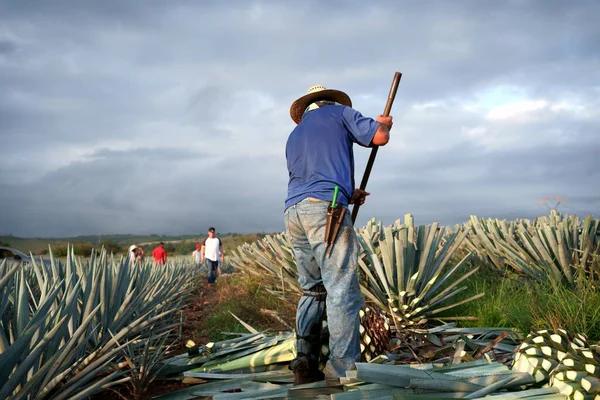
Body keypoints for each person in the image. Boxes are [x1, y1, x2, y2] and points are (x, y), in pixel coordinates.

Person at [284, 84, 392, 384]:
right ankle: (343, 371)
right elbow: (378, 138)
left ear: (308, 108)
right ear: (330, 102)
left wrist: (348, 193)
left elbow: (313, 178)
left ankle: (305, 364)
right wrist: (382, 125)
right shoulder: (341, 113)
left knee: (312, 289)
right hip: (326, 210)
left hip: (294, 211)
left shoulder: (295, 135)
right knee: (341, 287)